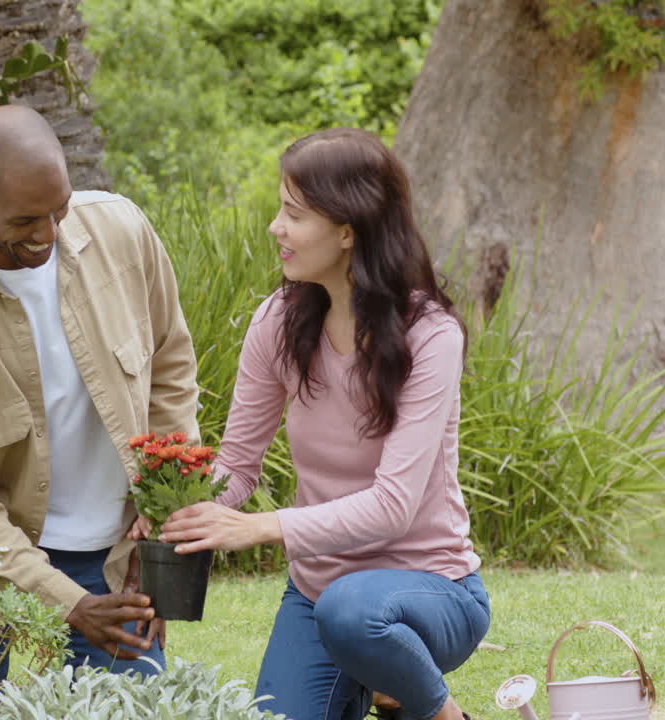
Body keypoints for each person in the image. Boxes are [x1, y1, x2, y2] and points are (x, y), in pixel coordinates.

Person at [148, 128, 489, 720]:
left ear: (348, 230)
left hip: (431, 590)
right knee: (323, 632)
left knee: (353, 611)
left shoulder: (430, 334)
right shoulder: (279, 321)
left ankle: (434, 710)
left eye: (294, 213)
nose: (276, 228)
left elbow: (393, 507)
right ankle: (381, 680)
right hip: (317, 595)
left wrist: (258, 529)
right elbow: (236, 468)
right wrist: (181, 512)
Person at [0, 104, 200, 684]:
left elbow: (171, 366)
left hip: (110, 560)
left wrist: (162, 511)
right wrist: (66, 604)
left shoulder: (121, 230)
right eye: (26, 221)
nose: (47, 235)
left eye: (58, 211)